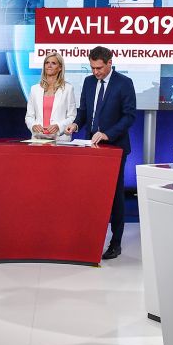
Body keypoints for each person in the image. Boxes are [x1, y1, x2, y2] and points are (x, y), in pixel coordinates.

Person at [65, 46, 136, 260]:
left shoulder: (125, 83)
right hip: (91, 148)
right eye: (92, 68)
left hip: (115, 148)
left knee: (114, 197)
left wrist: (107, 134)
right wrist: (76, 124)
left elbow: (129, 116)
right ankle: (89, 239)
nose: (96, 72)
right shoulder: (88, 82)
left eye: (99, 68)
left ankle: (115, 243)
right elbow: (85, 111)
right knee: (91, 195)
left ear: (109, 63)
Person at [25, 53, 77, 142]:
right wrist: (33, 125)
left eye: (53, 63)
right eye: (47, 63)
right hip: (38, 139)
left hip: (59, 139)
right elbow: (29, 116)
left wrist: (58, 126)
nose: (49, 65)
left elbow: (72, 116)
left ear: (60, 67)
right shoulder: (35, 89)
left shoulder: (68, 89)